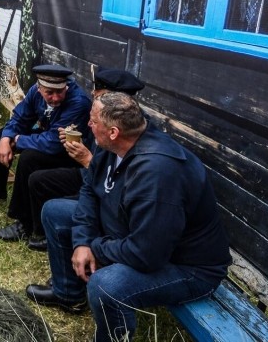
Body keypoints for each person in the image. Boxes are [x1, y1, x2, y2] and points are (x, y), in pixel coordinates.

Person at [28, 92, 230, 342]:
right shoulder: (112, 145)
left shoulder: (158, 173)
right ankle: (68, 294)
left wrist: (95, 248)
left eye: (93, 121)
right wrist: (81, 242)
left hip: (188, 267)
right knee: (55, 212)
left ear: (113, 131)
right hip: (134, 234)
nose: (88, 125)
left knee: (106, 285)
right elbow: (90, 190)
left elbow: (146, 254)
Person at [24, 67, 145, 252]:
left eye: (99, 94)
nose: (93, 94)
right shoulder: (105, 119)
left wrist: (88, 159)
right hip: (91, 175)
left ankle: (65, 238)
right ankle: (39, 230)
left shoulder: (131, 133)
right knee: (38, 177)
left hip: (106, 193)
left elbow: (113, 186)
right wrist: (79, 142)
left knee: (57, 205)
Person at [0, 64, 91, 243]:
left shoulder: (78, 102)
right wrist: (7, 139)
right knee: (2, 135)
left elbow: (53, 143)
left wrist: (18, 140)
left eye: (60, 92)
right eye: (49, 93)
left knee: (29, 157)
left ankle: (24, 222)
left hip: (70, 153)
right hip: (50, 138)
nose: (55, 97)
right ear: (39, 87)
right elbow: (20, 117)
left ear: (66, 86)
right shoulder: (35, 92)